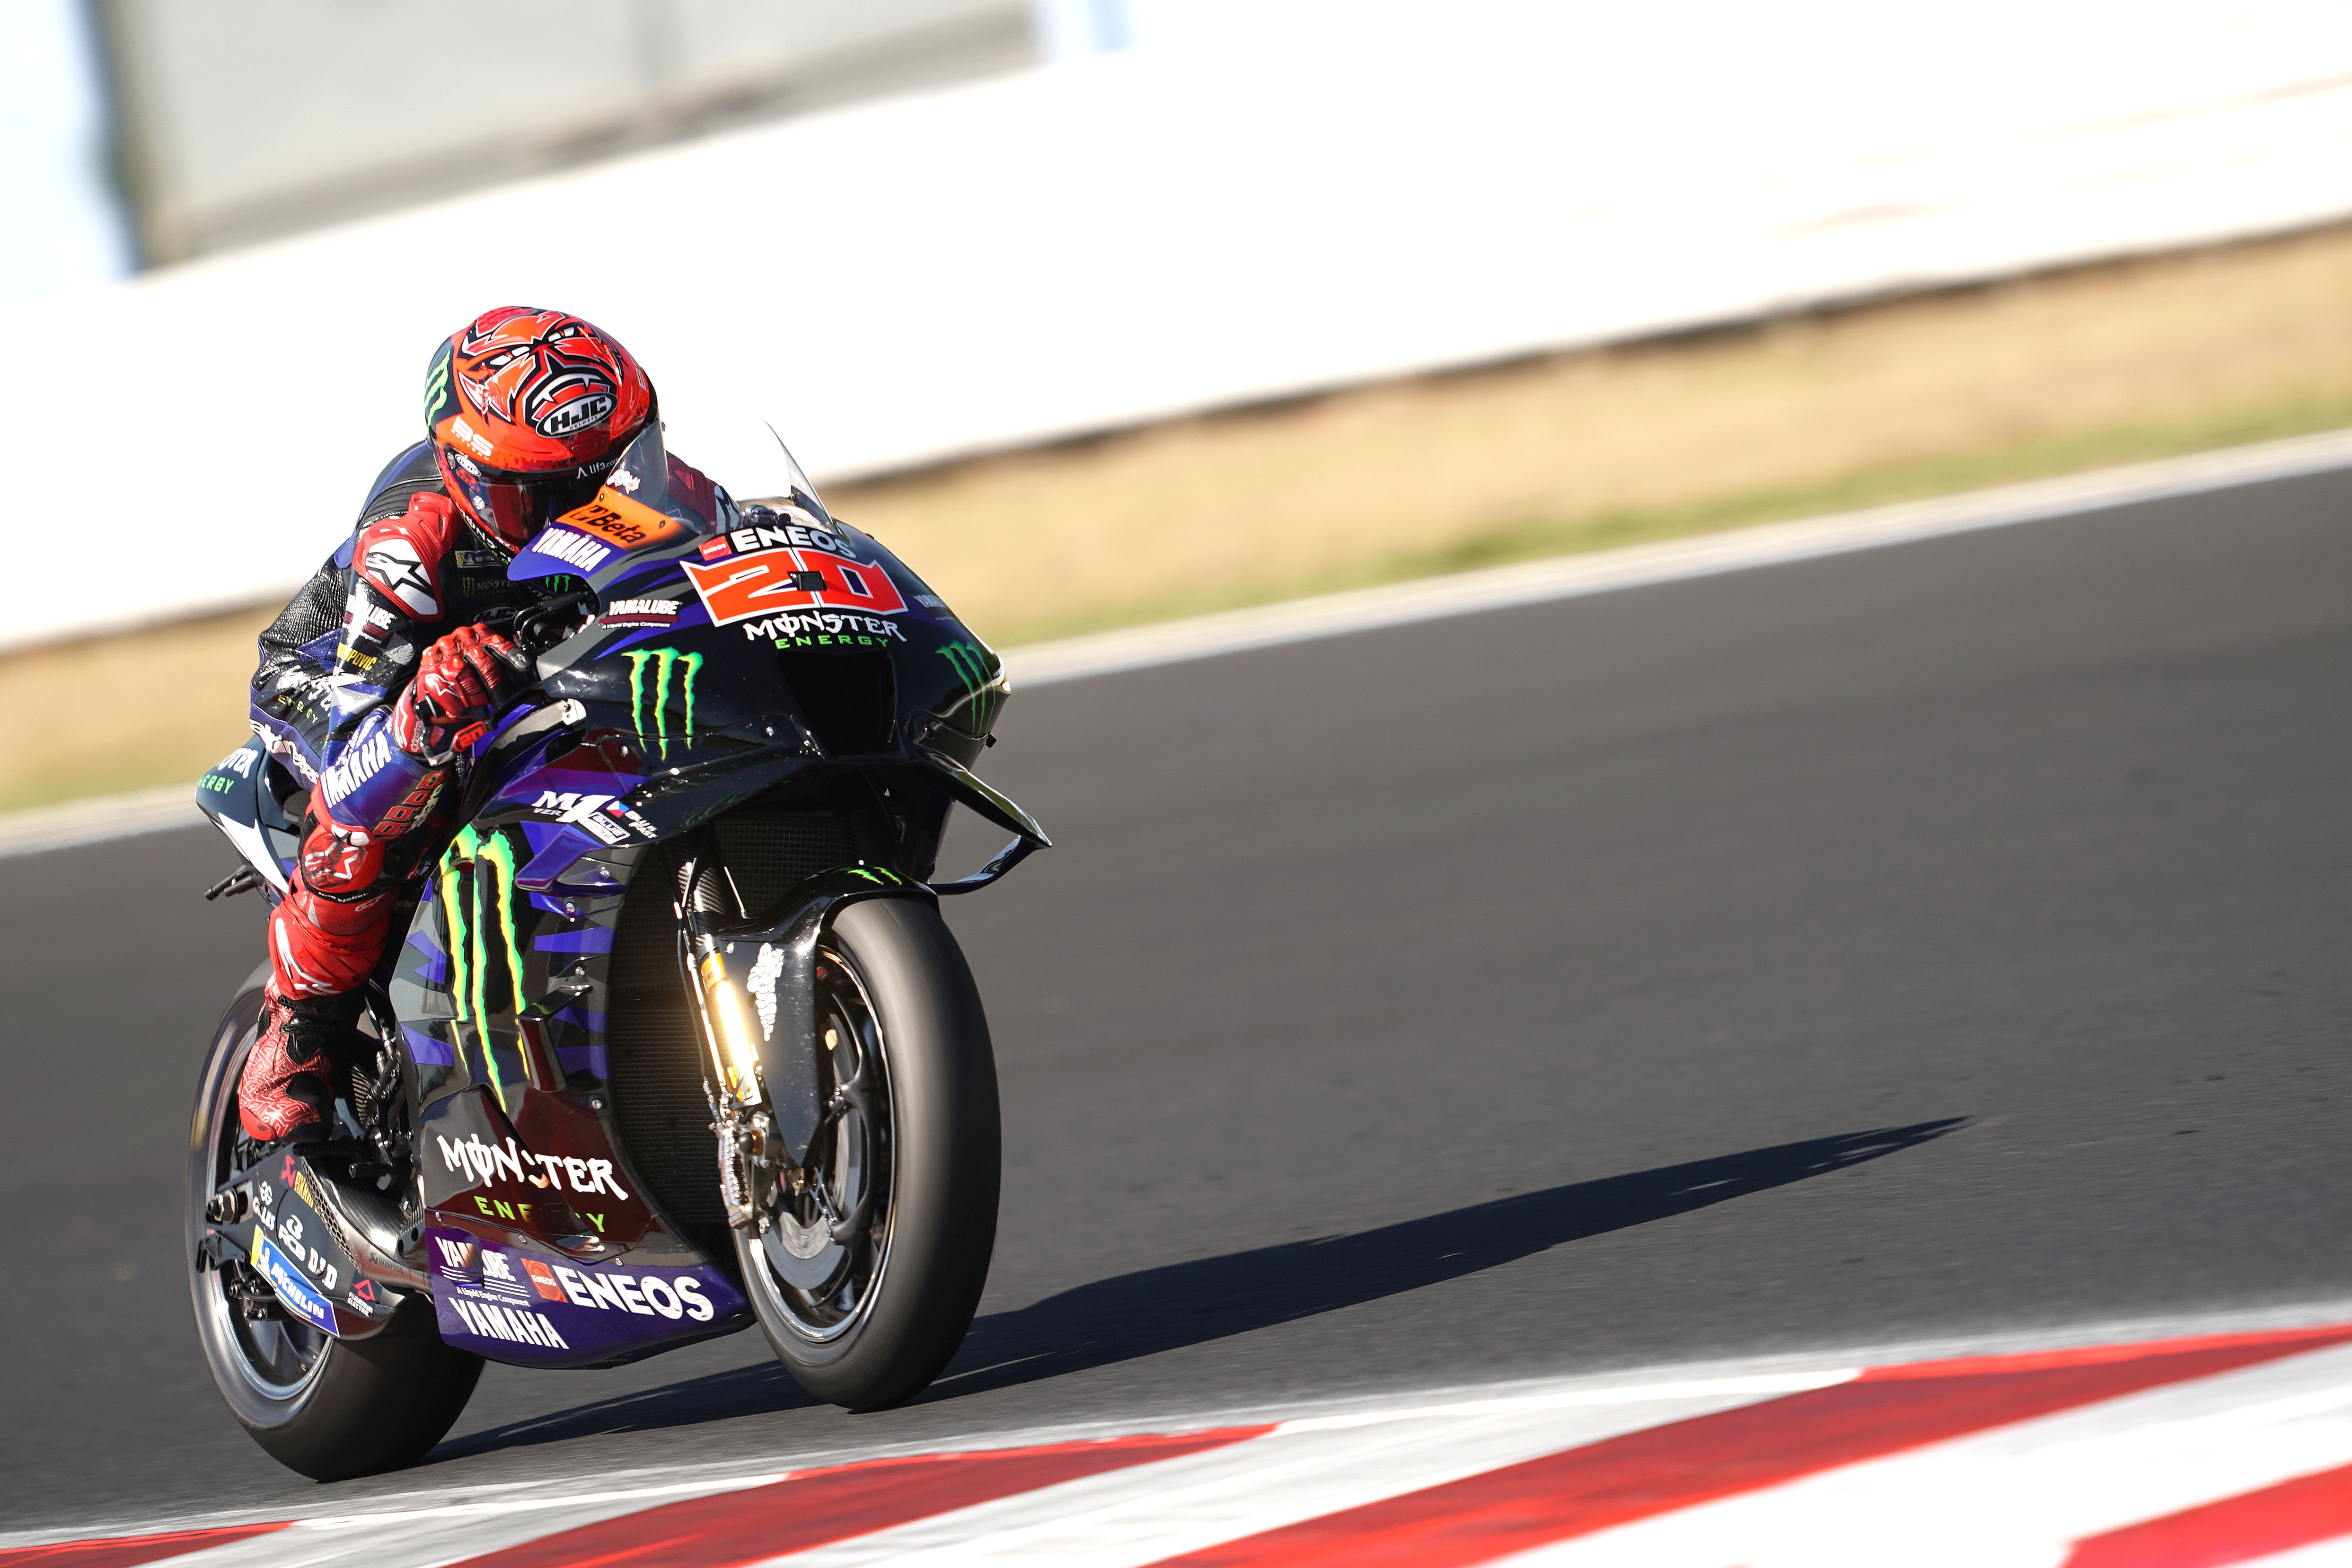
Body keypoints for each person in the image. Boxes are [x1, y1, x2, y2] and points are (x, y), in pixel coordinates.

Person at [238, 306, 660, 1144]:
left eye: (610, 473)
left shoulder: (644, 494)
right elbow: (351, 764)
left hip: (507, 666)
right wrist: (422, 713)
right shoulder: (413, 541)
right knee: (381, 812)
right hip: (339, 679)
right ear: (475, 473)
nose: (590, 504)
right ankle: (297, 1037)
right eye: (552, 490)